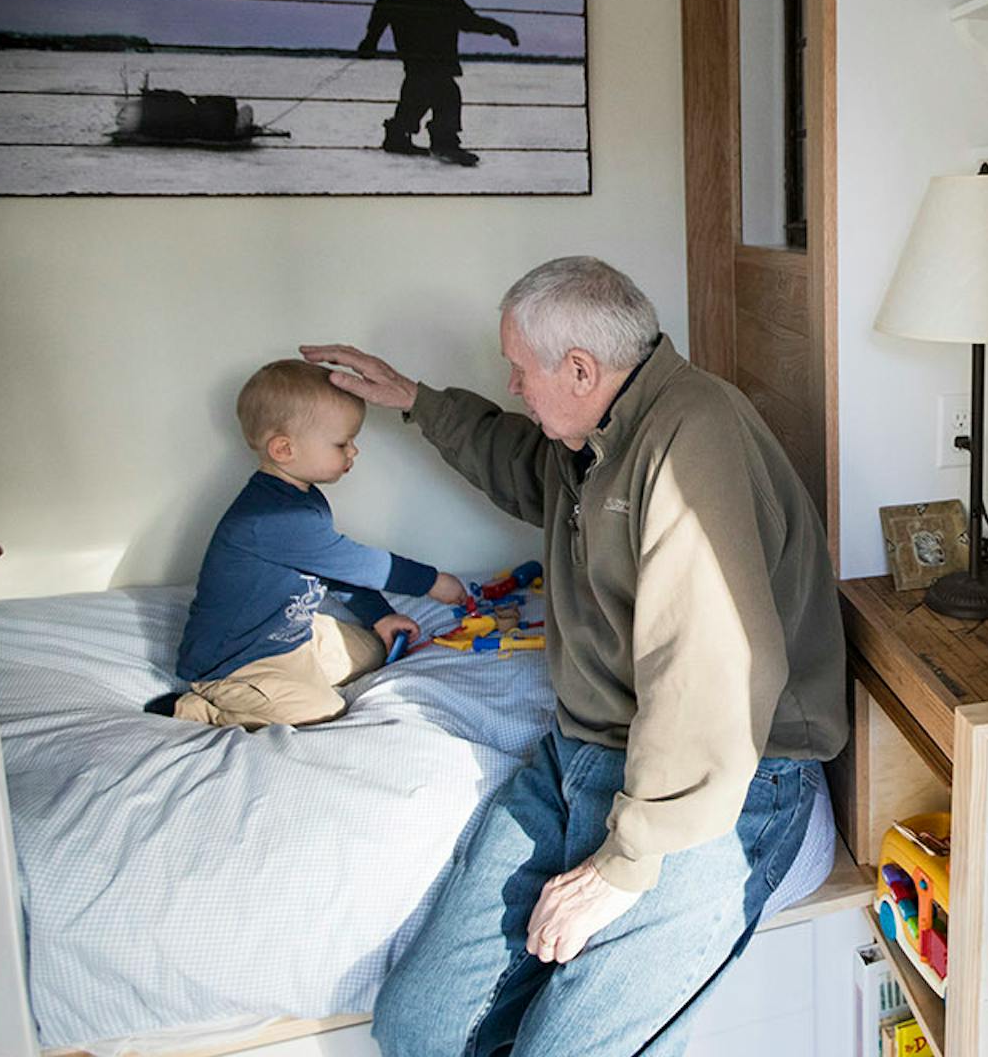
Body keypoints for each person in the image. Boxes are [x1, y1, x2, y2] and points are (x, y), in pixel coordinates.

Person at [301, 257, 847, 1057]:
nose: (514, 385)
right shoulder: (596, 432)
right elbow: (528, 469)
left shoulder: (694, 438)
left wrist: (625, 862)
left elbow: (709, 670)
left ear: (582, 369)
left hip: (727, 784)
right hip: (584, 756)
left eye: (519, 369)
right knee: (417, 1031)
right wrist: (415, 400)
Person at [158, 359, 466, 729]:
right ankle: (199, 708)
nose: (354, 452)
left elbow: (334, 569)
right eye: (342, 443)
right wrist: (432, 581)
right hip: (237, 661)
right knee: (323, 709)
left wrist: (380, 615)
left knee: (373, 649)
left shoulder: (306, 499)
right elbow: (358, 563)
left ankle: (292, 681)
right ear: (284, 449)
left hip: (289, 638)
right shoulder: (268, 518)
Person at [357, 0, 520, 168]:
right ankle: (441, 142)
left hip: (416, 57)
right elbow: (471, 22)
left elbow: (381, 13)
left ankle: (401, 136)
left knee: (419, 94)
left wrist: (370, 41)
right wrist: (501, 29)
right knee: (444, 95)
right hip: (434, 58)